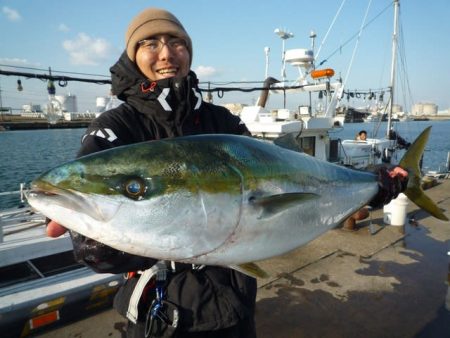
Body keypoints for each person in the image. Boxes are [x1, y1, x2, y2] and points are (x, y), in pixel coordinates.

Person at [46, 7, 408, 337]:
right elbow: (90, 220)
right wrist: (95, 239)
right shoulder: (115, 127)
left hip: (232, 308)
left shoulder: (223, 122)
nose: (166, 53)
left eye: (176, 42)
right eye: (150, 42)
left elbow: (288, 190)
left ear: (189, 51)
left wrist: (371, 187)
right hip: (157, 315)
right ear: (132, 54)